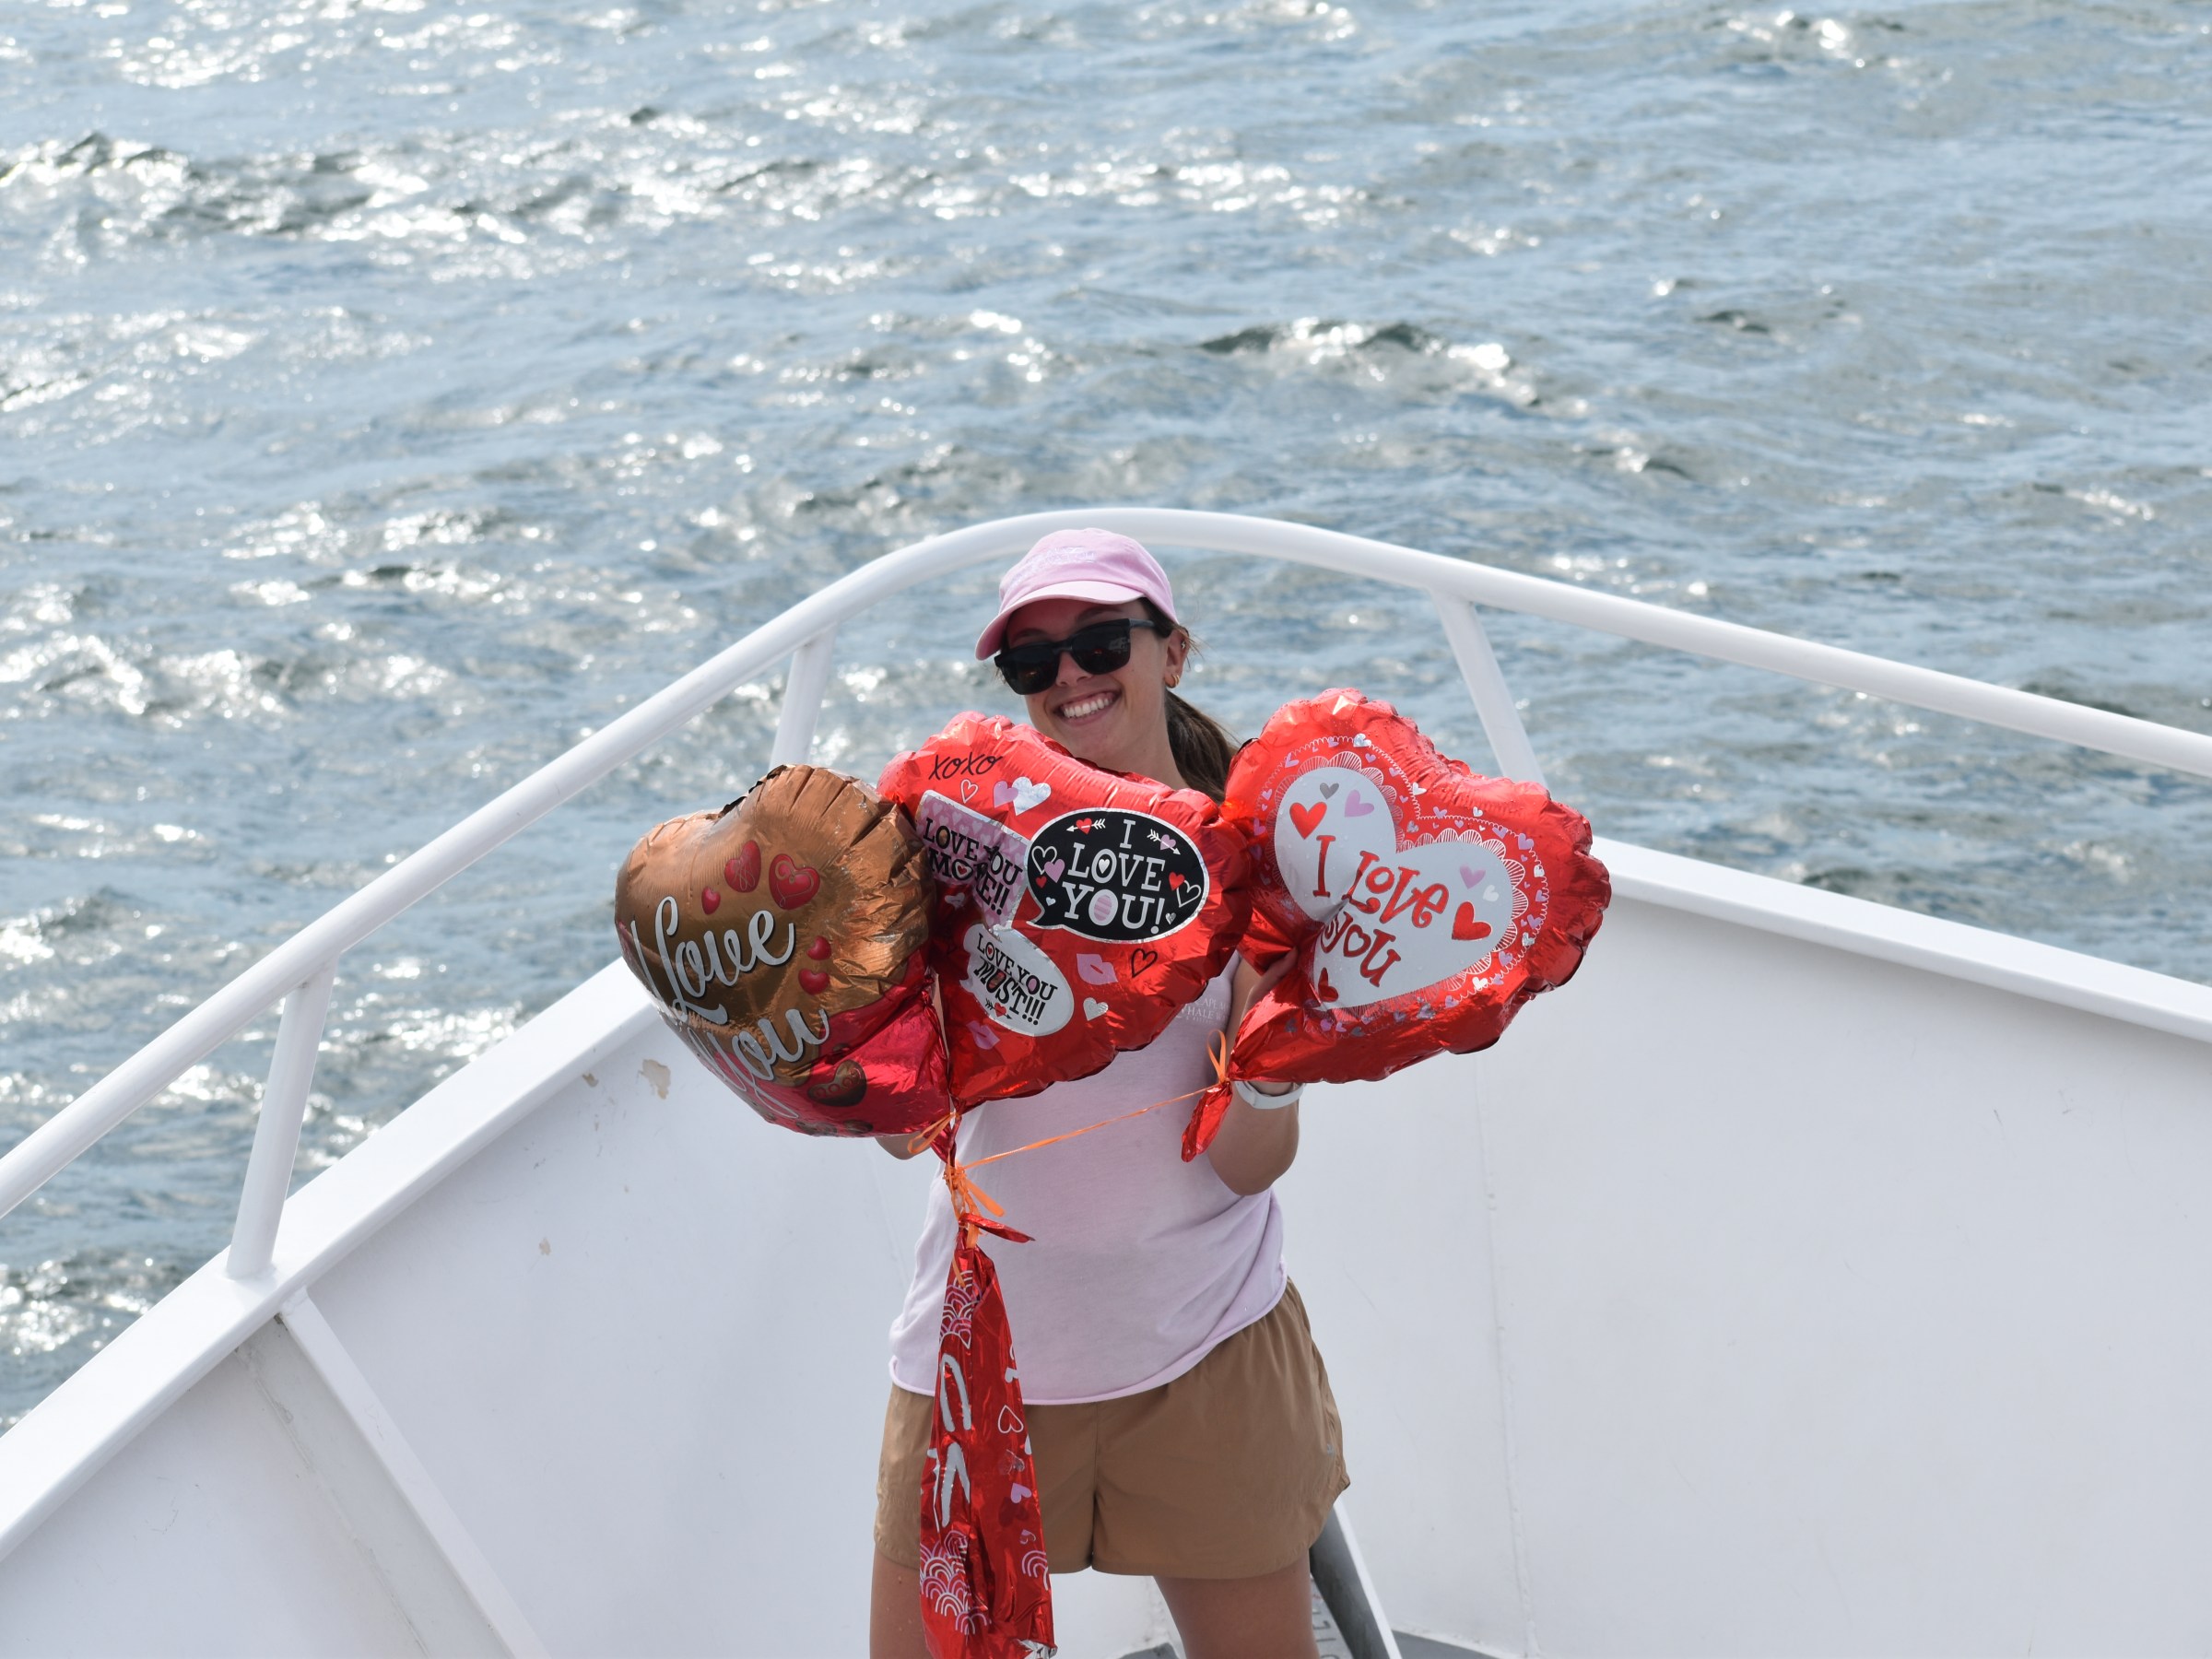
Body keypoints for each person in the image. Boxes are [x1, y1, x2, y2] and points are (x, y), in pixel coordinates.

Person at [869, 529, 1347, 1659]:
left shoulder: (1256, 868)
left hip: (1205, 1354)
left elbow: (1244, 1165)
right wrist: (837, 1030)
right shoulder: (954, 851)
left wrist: (1271, 1073)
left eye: (1100, 641)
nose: (1071, 676)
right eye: (1032, 663)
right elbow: (907, 1141)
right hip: (975, 1351)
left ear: (1172, 650)